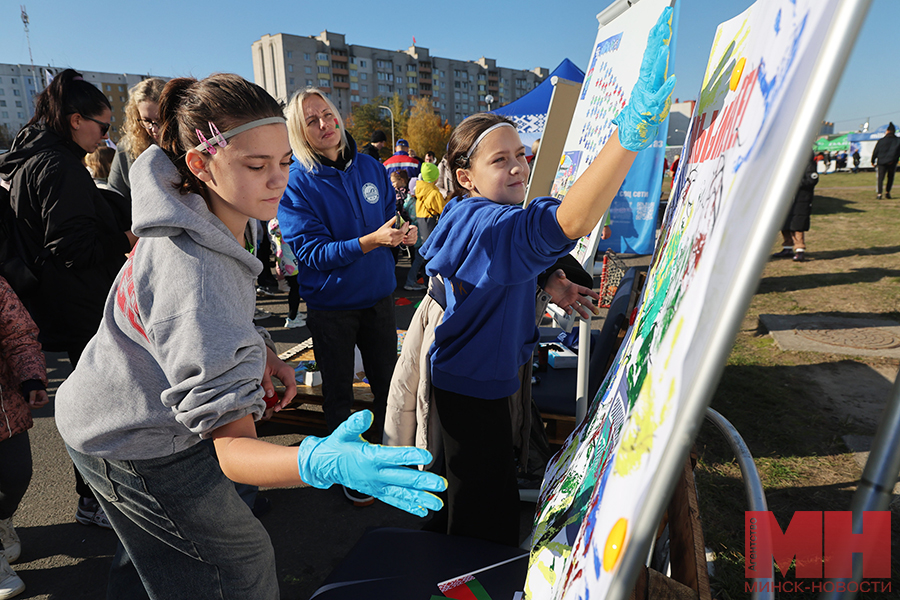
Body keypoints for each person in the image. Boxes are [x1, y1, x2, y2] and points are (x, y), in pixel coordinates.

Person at [54, 74, 444, 598]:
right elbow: (234, 452)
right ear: (199, 163)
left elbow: (200, 317)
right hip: (129, 434)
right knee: (233, 568)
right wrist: (320, 461)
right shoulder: (194, 272)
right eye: (257, 166)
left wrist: (257, 347)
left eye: (284, 162)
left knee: (171, 558)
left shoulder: (208, 207)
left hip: (132, 403)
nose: (277, 180)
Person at [418, 7, 675, 547]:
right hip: (472, 387)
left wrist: (545, 279)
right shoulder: (486, 219)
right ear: (465, 177)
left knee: (474, 488)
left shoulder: (484, 215)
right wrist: (627, 136)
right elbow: (565, 222)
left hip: (483, 377)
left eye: (521, 155)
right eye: (500, 161)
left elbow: (502, 267)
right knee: (481, 510)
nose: (516, 167)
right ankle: (467, 576)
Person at [0, 68, 136, 530]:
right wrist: (124, 239)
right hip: (80, 310)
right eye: (102, 126)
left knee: (87, 408)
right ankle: (94, 499)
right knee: (98, 410)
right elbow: (72, 249)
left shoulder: (32, 158)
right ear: (76, 120)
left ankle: (94, 497)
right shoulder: (59, 167)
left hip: (60, 304)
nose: (106, 136)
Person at [279, 87, 419, 506]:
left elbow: (386, 222)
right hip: (332, 308)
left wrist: (400, 233)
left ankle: (391, 460)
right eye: (312, 121)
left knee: (389, 388)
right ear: (299, 133)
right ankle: (351, 475)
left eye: (327, 114)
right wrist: (370, 241)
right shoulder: (296, 182)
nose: (325, 124)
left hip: (378, 299)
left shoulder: (371, 167)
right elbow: (310, 254)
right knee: (339, 398)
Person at [0, 276, 50, 600]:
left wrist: (32, 377)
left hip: (4, 406)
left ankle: (2, 518)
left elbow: (19, 334)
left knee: (17, 474)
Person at [108, 77, 167, 204]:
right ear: (137, 118)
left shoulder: (190, 143)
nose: (154, 129)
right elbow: (116, 197)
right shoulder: (126, 149)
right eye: (147, 121)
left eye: (161, 120)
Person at [772, 154, 819, 262]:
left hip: (800, 198)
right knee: (784, 223)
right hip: (786, 197)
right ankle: (787, 247)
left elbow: (811, 180)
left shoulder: (807, 162)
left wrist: (793, 182)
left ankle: (800, 249)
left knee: (797, 224)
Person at [267, 217, 305, 328]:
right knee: (295, 289)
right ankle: (292, 318)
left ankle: (294, 313)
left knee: (293, 287)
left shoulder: (272, 222)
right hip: (291, 260)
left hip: (282, 259)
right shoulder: (285, 221)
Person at [872, 122, 900, 199]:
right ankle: (887, 192)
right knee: (890, 177)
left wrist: (872, 160)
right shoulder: (898, 140)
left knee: (880, 178)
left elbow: (876, 151)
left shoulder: (881, 141)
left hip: (881, 162)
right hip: (892, 162)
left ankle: (879, 194)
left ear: (887, 131)